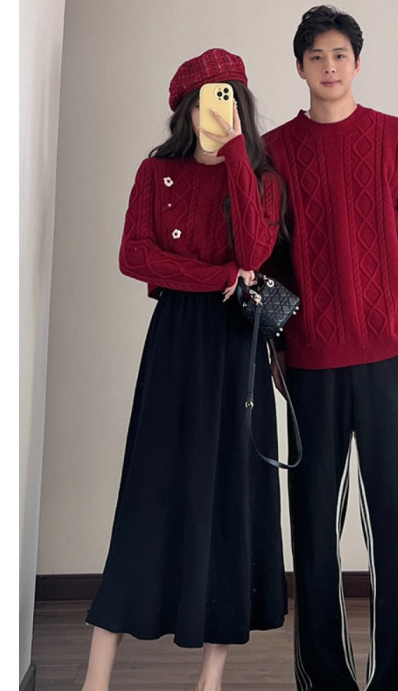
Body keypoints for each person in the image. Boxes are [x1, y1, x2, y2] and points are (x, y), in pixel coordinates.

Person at [82, 48, 288, 691]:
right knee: (151, 488)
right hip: (175, 340)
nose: (214, 112)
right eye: (203, 101)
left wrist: (235, 157)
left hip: (235, 350)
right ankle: (95, 677)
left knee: (229, 492)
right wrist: (216, 276)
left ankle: (211, 677)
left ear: (241, 108)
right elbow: (134, 255)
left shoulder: (261, 178)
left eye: (226, 99)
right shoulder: (156, 172)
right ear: (184, 110)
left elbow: (256, 249)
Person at [263, 6, 398, 691]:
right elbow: (269, 256)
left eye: (340, 54)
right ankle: (325, 681)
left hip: (394, 360)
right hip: (311, 363)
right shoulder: (274, 152)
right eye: (316, 56)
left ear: (357, 63)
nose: (329, 66)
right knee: (313, 532)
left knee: (397, 529)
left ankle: (394, 680)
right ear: (300, 67)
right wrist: (279, 341)